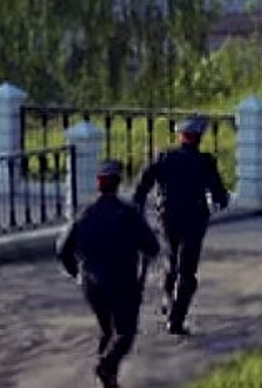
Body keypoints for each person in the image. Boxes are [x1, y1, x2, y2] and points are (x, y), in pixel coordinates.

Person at [56, 159, 160, 388]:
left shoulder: (83, 215)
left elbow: (62, 250)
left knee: (107, 330)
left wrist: (78, 274)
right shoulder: (129, 214)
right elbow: (152, 247)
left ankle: (107, 378)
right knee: (125, 333)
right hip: (123, 284)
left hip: (92, 286)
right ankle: (106, 368)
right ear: (118, 183)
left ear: (98, 184)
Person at [133, 114, 229, 336]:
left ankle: (169, 299)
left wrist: (140, 206)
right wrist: (219, 202)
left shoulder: (164, 157)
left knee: (171, 260)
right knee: (187, 269)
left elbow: (141, 186)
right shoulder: (205, 162)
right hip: (195, 220)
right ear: (199, 138)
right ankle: (176, 318)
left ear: (180, 136)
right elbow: (219, 195)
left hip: (168, 218)